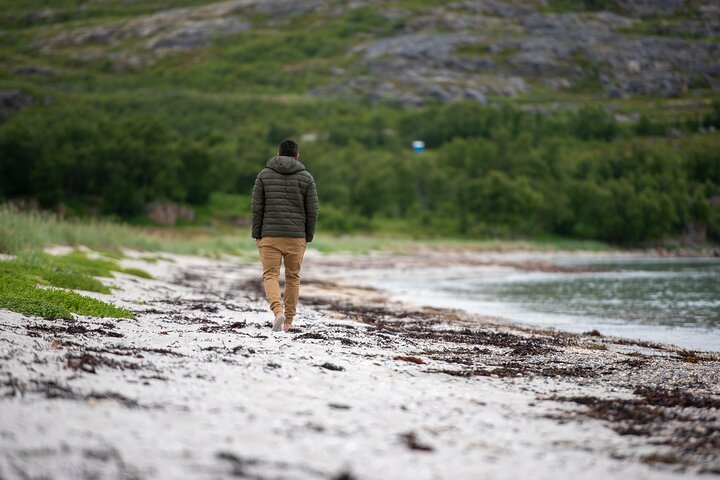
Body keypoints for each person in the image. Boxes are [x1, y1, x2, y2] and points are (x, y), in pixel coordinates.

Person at [251, 139, 319, 332]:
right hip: (296, 236)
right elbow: (312, 211)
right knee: (293, 277)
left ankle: (277, 311)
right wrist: (308, 236)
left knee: (270, 275)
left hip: (269, 235)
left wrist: (257, 234)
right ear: (297, 155)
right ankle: (288, 322)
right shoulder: (306, 178)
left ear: (278, 153)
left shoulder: (264, 175)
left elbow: (257, 208)